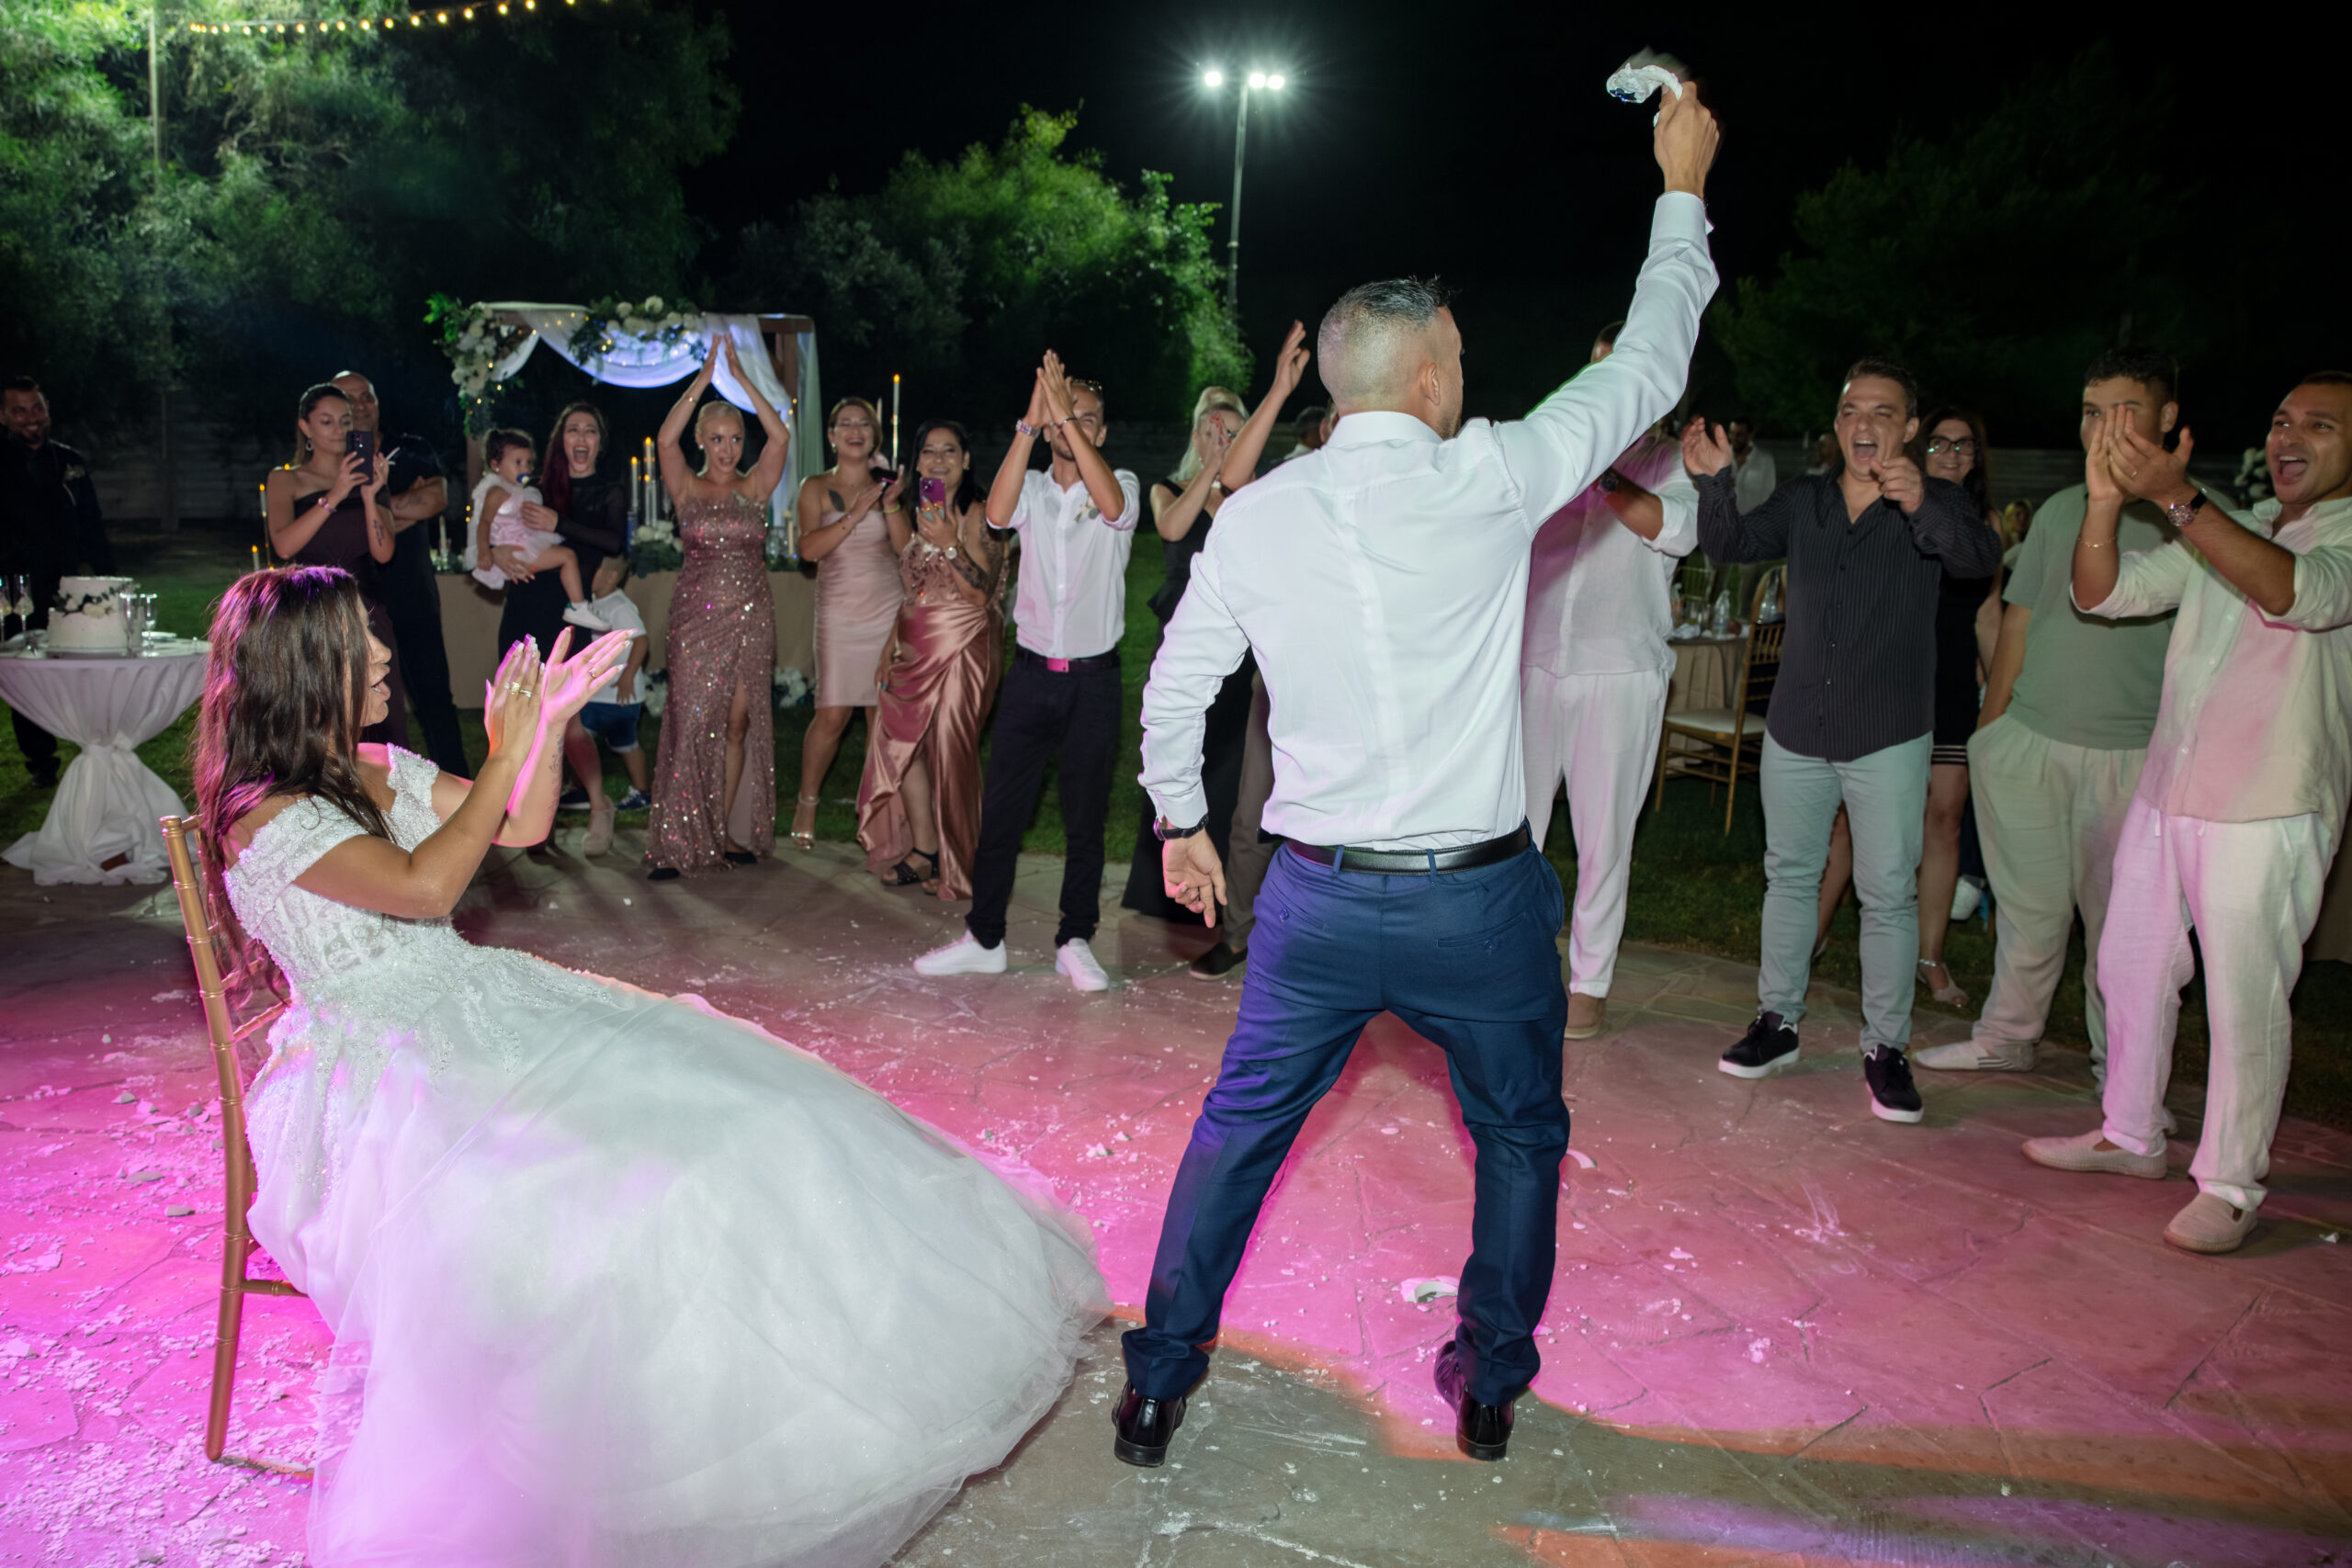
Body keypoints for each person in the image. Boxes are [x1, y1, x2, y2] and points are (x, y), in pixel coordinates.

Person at [191, 567, 1102, 1563]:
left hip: (472, 1000)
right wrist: (504, 750)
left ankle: (778, 1404)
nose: (381, 655)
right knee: (628, 1196)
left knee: (750, 1105)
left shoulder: (372, 764)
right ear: (301, 667)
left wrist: (546, 730)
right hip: (381, 1075)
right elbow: (426, 884)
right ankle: (620, 1453)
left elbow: (521, 825)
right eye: (357, 642)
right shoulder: (262, 814)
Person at [1114, 85, 1720, 1472]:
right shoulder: (1492, 472)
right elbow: (1649, 366)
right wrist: (1680, 189)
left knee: (1239, 1132)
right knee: (1517, 1135)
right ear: (1431, 379)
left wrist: (1185, 823)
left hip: (1316, 905)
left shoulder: (1258, 515)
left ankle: (1157, 1383)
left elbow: (1176, 690)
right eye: (1457, 352)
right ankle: (1490, 1381)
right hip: (1476, 905)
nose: (1464, 370)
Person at [2020, 373, 2352, 1254]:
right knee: (2128, 966)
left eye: (2320, 425)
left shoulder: (2337, 536)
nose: (2290, 437)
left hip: (2268, 802)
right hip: (2168, 787)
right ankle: (2130, 1133)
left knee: (2245, 998)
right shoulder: (2239, 524)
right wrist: (2103, 503)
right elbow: (2102, 592)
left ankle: (2232, 1182)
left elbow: (2297, 594)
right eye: (2281, 420)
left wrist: (2175, 496)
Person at [1686, 359, 2001, 1124]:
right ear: (1837, 424)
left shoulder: (1938, 502)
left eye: (1884, 412)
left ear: (1909, 427)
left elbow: (1978, 562)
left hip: (1887, 733)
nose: (1865, 423)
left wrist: (1919, 500)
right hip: (1798, 725)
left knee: (1886, 893)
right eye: (1853, 410)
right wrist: (1715, 483)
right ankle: (1777, 1021)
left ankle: (1886, 1047)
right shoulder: (1804, 499)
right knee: (1790, 876)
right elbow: (1729, 544)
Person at [1917, 351, 2183, 1076]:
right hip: (2031, 743)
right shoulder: (2062, 510)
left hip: (2134, 757)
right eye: (2092, 412)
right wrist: (1990, 737)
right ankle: (2007, 1036)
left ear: (2166, 418)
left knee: (2121, 928)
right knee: (2027, 913)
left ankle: (2120, 1071)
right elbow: (2018, 622)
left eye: (2124, 412)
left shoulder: (2196, 518)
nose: (2103, 429)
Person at [914, 356, 1140, 992]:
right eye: (1065, 417)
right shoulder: (1034, 489)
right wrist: (1030, 422)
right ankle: (984, 938)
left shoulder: (1119, 483)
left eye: (1086, 420)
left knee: (1084, 818)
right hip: (1031, 675)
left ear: (1100, 432)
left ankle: (1075, 939)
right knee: (1002, 815)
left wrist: (1062, 412)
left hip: (1093, 682)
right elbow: (994, 515)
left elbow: (1113, 504)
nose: (1072, 426)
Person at [1521, 321, 1700, 1042]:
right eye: (1599, 370)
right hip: (1535, 664)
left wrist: (1601, 469)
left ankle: (1588, 982)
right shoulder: (1554, 451)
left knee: (1603, 839)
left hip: (1620, 672)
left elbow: (1674, 528)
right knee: (1513, 830)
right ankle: (1512, 961)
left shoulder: (1674, 461)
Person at [1172, 326, 1318, 981]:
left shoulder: (1345, 494)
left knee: (1332, 827)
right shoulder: (1281, 488)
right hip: (1268, 681)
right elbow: (1232, 479)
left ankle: (1327, 948)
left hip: (1338, 686)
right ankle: (1238, 936)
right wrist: (1281, 389)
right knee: (1251, 817)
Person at [645, 338, 789, 879]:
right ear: (702, 440)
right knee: (691, 722)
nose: (727, 448)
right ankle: (675, 841)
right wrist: (704, 379)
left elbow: (781, 436)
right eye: (717, 438)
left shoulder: (756, 487)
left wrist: (743, 379)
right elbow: (664, 438)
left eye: (735, 438)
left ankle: (720, 832)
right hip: (695, 620)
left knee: (736, 724)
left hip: (752, 616)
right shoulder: (686, 486)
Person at [1117, 380, 1255, 934]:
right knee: (1176, 754)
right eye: (1213, 430)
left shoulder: (1251, 495)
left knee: (1229, 765)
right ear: (1196, 435)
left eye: (1234, 431)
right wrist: (1212, 469)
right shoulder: (1166, 487)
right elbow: (1172, 526)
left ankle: (1223, 890)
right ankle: (1165, 884)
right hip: (1180, 636)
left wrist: (1233, 475)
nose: (1223, 438)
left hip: (1238, 643)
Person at [857, 418, 1003, 897]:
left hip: (964, 644)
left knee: (950, 750)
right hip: (915, 645)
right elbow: (913, 583)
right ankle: (926, 849)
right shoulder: (921, 510)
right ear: (916, 462)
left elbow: (980, 592)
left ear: (966, 460)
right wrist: (890, 645)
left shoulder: (981, 512)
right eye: (928, 451)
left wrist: (949, 543)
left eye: (949, 451)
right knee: (904, 742)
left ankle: (963, 864)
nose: (938, 459)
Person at [330, 371, 469, 779]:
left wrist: (374, 511)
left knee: (435, 698)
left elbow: (437, 498)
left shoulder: (410, 448)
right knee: (358, 703)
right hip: (357, 600)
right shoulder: (332, 460)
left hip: (413, 592)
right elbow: (336, 521)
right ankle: (368, 789)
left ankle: (460, 788)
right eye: (349, 398)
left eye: (367, 396)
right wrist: (399, 507)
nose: (360, 405)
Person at [497, 401, 628, 826]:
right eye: (573, 430)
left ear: (599, 442)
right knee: (519, 719)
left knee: (567, 723)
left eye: (590, 430)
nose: (581, 437)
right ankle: (537, 822)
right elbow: (500, 525)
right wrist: (495, 552)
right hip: (523, 607)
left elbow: (614, 543)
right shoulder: (535, 488)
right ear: (561, 440)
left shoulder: (609, 491)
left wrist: (559, 523)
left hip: (571, 617)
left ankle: (599, 805)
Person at [790, 399, 903, 852]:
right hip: (838, 613)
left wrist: (890, 505)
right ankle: (806, 802)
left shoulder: (889, 486)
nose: (855, 430)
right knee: (832, 714)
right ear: (832, 435)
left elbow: (906, 549)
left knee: (881, 717)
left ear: (875, 437)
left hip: (886, 611)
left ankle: (875, 813)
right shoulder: (815, 487)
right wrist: (856, 512)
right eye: (845, 424)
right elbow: (808, 551)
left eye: (863, 424)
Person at [266, 384, 404, 749]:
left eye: (345, 421)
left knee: (380, 716)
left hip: (367, 612)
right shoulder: (285, 479)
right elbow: (284, 545)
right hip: (314, 616)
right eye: (326, 421)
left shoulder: (370, 476)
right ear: (306, 427)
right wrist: (336, 495)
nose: (338, 429)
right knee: (318, 719)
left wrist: (370, 495)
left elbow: (384, 553)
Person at [0, 376, 114, 788]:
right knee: (24, 675)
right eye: (19, 410)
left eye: (37, 407)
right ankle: (41, 761)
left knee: (81, 670)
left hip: (69, 590)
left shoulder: (69, 461)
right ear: (3, 416)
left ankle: (94, 748)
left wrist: (109, 581)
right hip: (13, 591)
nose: (30, 417)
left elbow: (93, 527)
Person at [467, 429, 607, 627]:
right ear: (495, 465)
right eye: (518, 462)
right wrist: (484, 550)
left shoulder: (521, 491)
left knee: (567, 557)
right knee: (567, 557)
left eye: (528, 462)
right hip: (514, 547)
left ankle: (577, 606)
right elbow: (484, 522)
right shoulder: (497, 491)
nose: (525, 468)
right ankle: (578, 606)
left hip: (521, 543)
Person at [577, 552, 651, 858]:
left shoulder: (620, 607)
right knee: (581, 742)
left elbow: (641, 641)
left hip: (619, 696)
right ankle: (581, 789)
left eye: (594, 569)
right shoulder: (591, 602)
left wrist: (627, 676)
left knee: (625, 744)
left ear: (611, 576)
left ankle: (641, 792)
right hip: (595, 693)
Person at [1729, 415, 1778, 514]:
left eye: (1740, 434)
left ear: (1750, 435)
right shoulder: (1721, 458)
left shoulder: (1765, 460)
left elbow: (1769, 495)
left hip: (1753, 520)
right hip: (1725, 520)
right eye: (1732, 433)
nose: (1735, 438)